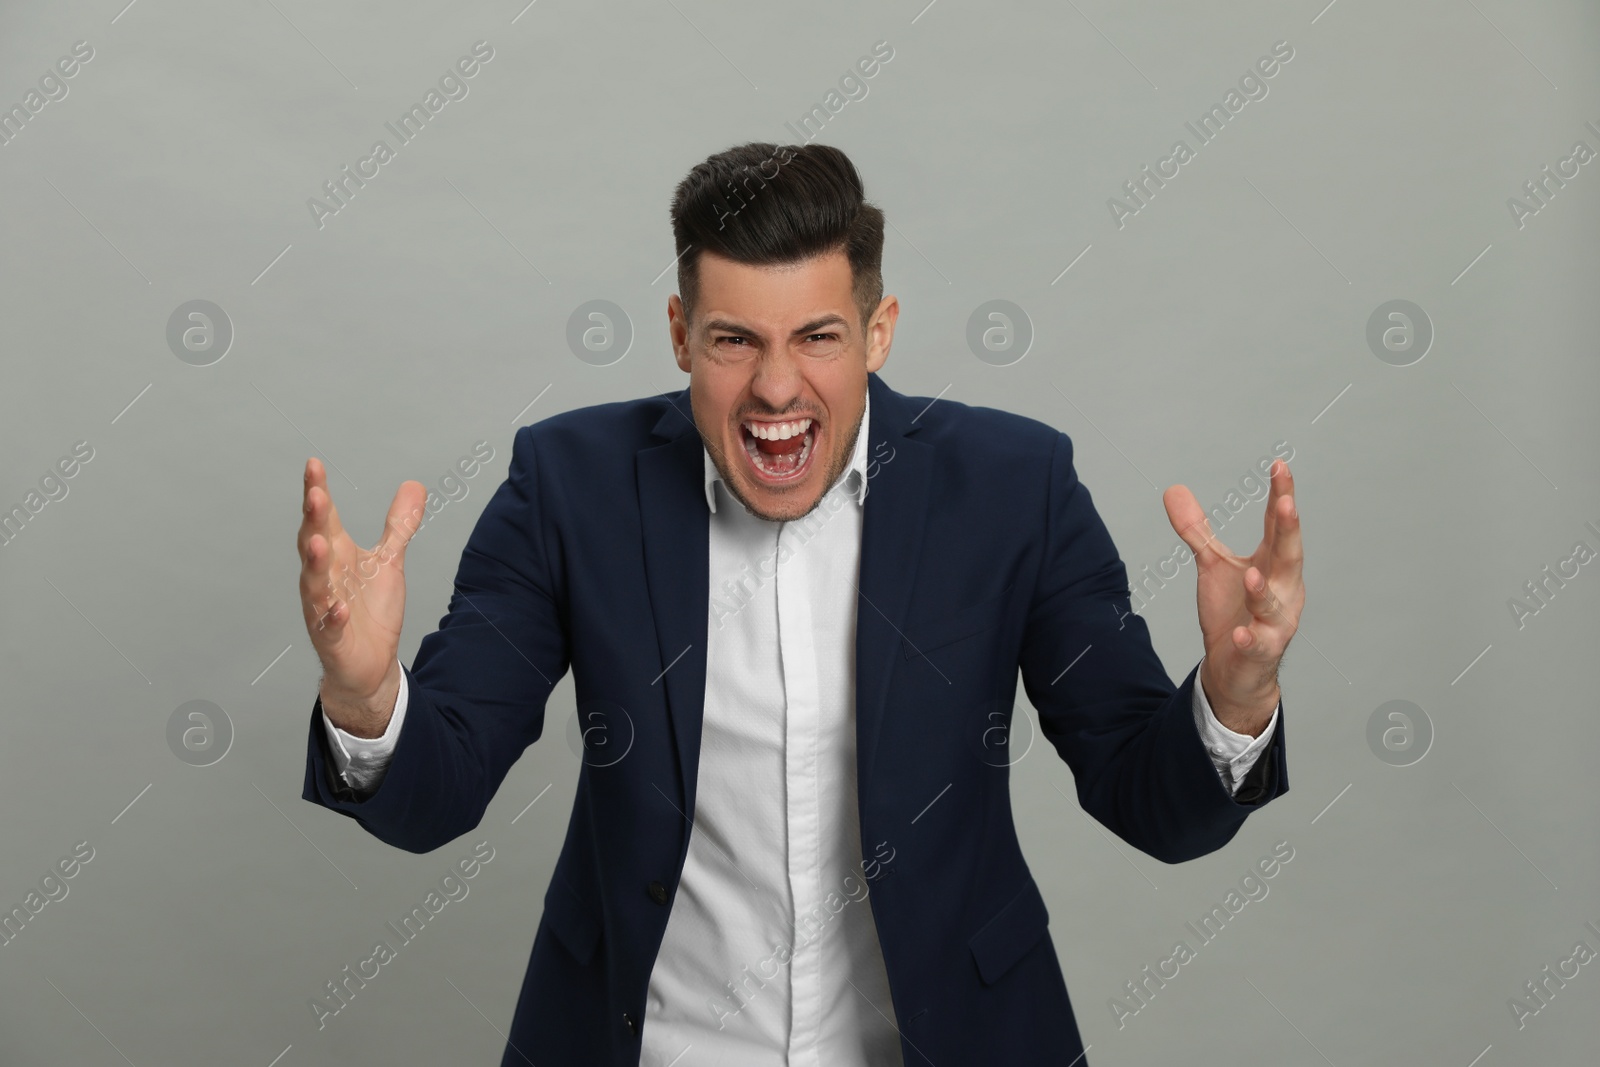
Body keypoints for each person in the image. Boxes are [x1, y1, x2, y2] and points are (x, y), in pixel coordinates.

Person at [296, 142, 1303, 1066]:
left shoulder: (1011, 488)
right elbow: (440, 789)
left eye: (817, 335)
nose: (776, 387)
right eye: (734, 340)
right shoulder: (570, 484)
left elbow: (1149, 797)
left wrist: (1235, 693)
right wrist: (366, 692)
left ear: (877, 331)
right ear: (682, 336)